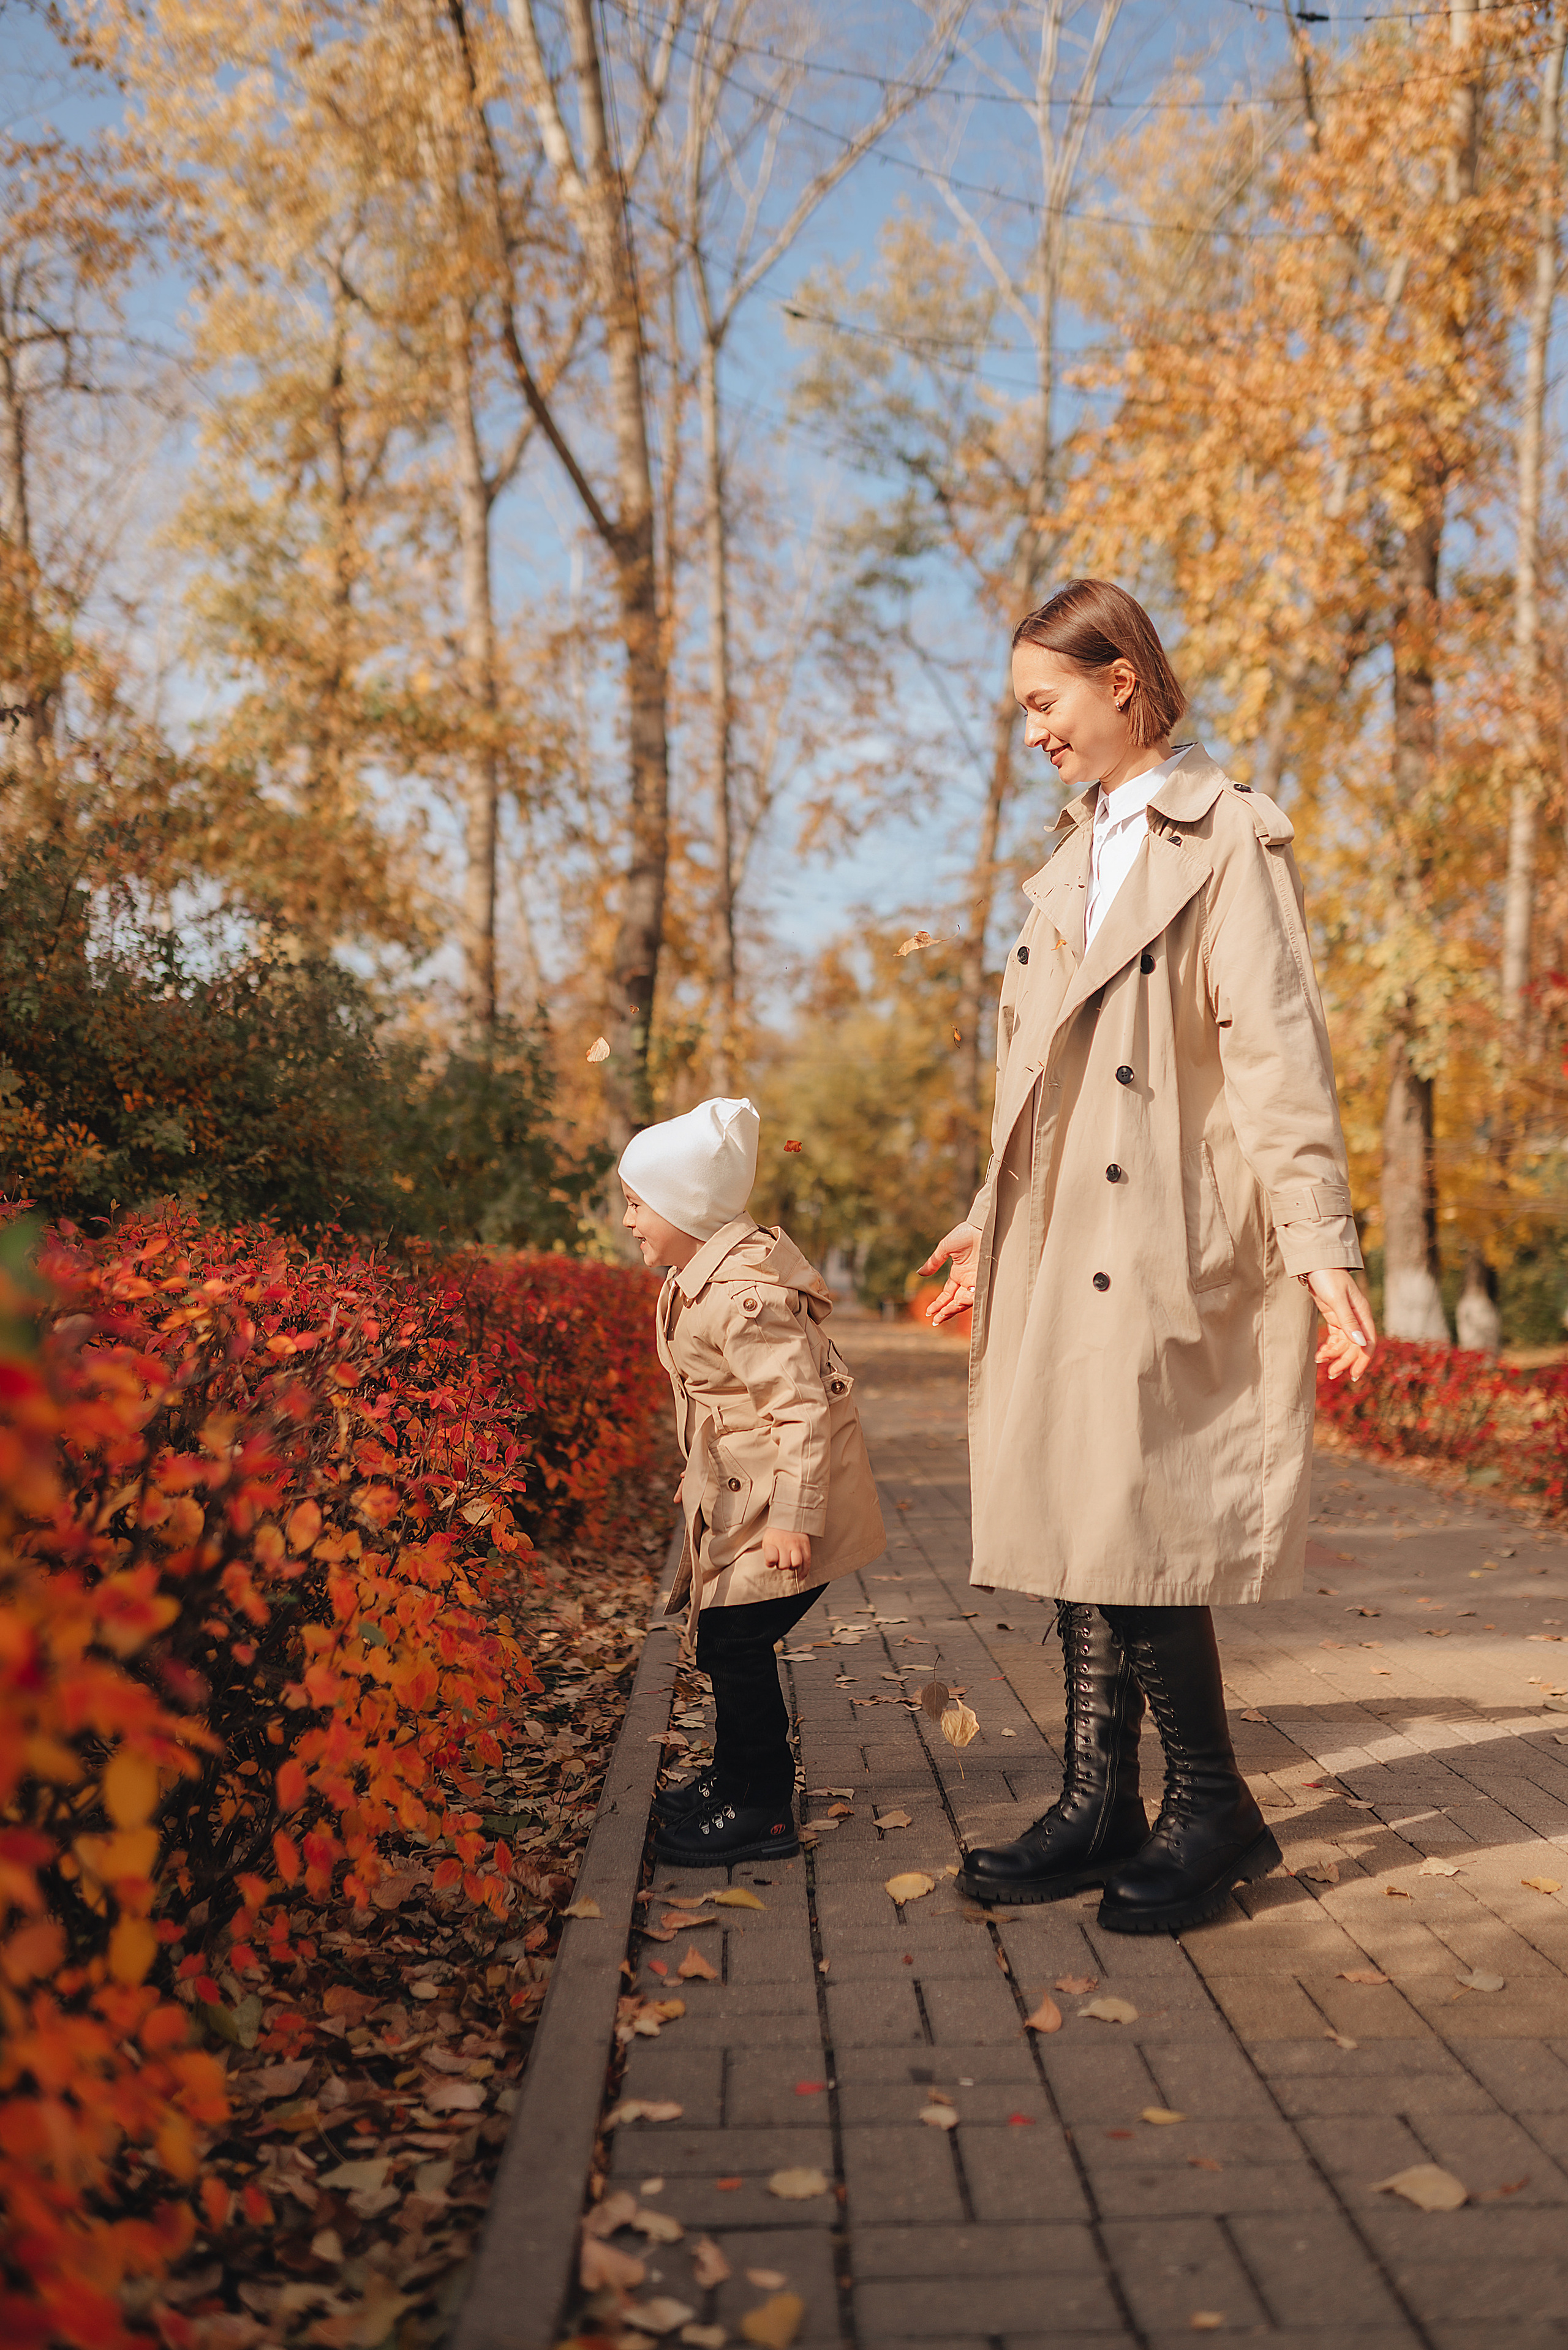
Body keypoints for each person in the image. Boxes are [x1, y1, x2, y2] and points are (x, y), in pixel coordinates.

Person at [918, 579, 1376, 1935]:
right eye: (1021, 711)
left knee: (1133, 1508)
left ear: (1121, 677)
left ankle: (1212, 1802)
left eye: (1044, 702)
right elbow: (1034, 1074)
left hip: (1165, 1225)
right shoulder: (1069, 858)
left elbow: (1275, 1051)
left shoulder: (1227, 835)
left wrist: (1320, 1244)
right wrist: (987, 1215)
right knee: (1078, 1497)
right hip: (1062, 1228)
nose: (1032, 733)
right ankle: (1097, 1797)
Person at [620, 1096, 886, 1864]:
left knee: (735, 1641)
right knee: (724, 1639)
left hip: (789, 1503)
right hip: (748, 1492)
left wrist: (795, 1518)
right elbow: (717, 1402)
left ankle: (762, 1804)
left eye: (638, 1204)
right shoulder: (692, 1277)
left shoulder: (743, 1300)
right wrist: (697, 1471)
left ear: (685, 1207)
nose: (629, 1221)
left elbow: (798, 1409)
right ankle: (735, 1776)